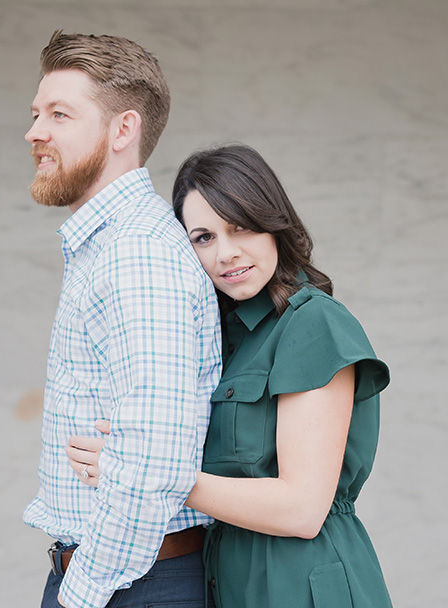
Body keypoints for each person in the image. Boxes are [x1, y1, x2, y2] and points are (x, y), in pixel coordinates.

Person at [68, 144, 393, 607]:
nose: (226, 253)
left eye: (240, 228)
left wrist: (149, 475)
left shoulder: (313, 325)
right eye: (203, 237)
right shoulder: (228, 335)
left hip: (301, 582)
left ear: (274, 223)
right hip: (230, 577)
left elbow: (302, 509)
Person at [21, 30, 222, 608]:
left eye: (60, 114)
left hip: (130, 584)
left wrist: (79, 593)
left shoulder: (137, 253)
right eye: (36, 113)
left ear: (123, 129)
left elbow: (155, 460)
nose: (35, 132)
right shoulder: (110, 245)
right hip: (122, 578)